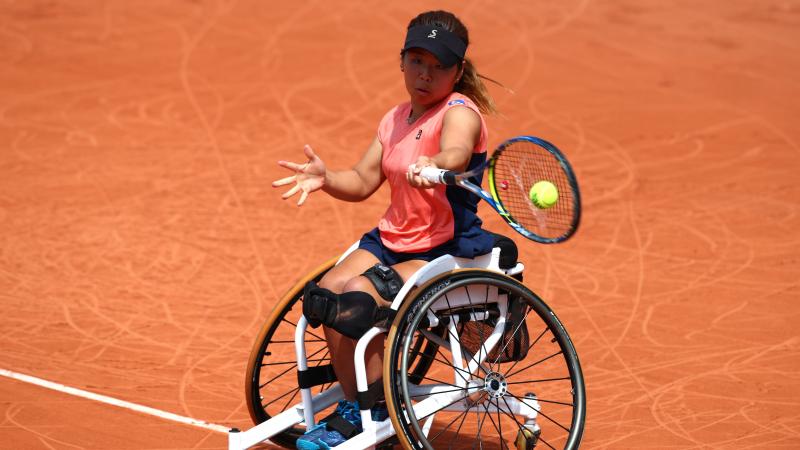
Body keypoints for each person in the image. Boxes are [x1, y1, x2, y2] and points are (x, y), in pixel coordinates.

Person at [272, 10, 499, 450]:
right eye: (417, 61)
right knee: (327, 294)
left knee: (357, 297)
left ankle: (378, 412)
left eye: (439, 67)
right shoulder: (394, 119)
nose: (425, 75)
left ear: (458, 71)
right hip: (394, 238)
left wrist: (436, 163)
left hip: (445, 245)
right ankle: (359, 404)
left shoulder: (460, 112)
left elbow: (455, 148)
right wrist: (326, 177)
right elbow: (360, 181)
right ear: (402, 61)